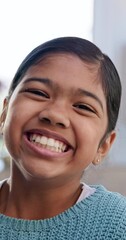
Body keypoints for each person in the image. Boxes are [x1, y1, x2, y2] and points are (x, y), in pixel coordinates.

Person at [0, 36, 125, 239]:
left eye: (83, 107)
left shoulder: (118, 225)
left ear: (103, 146)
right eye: (38, 92)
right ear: (4, 113)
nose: (55, 115)